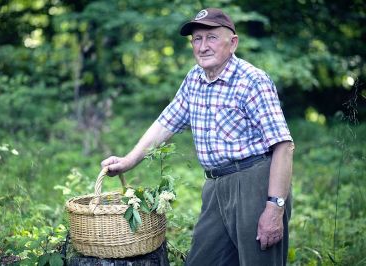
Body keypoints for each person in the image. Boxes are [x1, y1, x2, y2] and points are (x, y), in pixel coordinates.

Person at [101, 7, 294, 266]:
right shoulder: (195, 79)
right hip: (215, 186)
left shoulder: (252, 81)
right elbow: (164, 124)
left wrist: (274, 207)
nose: (202, 46)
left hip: (254, 184)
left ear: (233, 43)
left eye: (211, 37)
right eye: (197, 39)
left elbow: (284, 146)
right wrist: (127, 161)